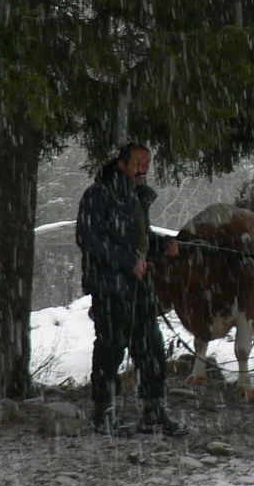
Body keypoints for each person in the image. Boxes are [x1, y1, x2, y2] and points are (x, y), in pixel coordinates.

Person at [76, 143, 186, 436]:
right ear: (122, 164)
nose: (143, 168)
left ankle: (154, 412)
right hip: (110, 287)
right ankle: (104, 414)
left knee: (152, 350)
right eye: (138, 162)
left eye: (147, 163)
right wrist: (127, 261)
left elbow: (138, 238)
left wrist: (162, 246)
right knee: (110, 350)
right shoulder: (98, 194)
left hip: (140, 288)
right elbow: (89, 237)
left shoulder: (136, 196)